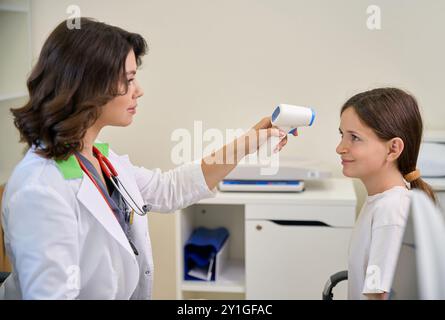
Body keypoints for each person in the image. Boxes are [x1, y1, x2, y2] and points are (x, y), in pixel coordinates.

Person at [0, 18, 291, 299]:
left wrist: (247, 143)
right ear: (88, 85)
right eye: (129, 79)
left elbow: (169, 189)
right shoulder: (40, 189)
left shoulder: (97, 156)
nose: (139, 91)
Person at [336, 87, 436, 300]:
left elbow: (378, 294)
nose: (340, 147)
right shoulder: (380, 201)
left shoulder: (391, 210)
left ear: (393, 149)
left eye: (354, 137)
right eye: (342, 135)